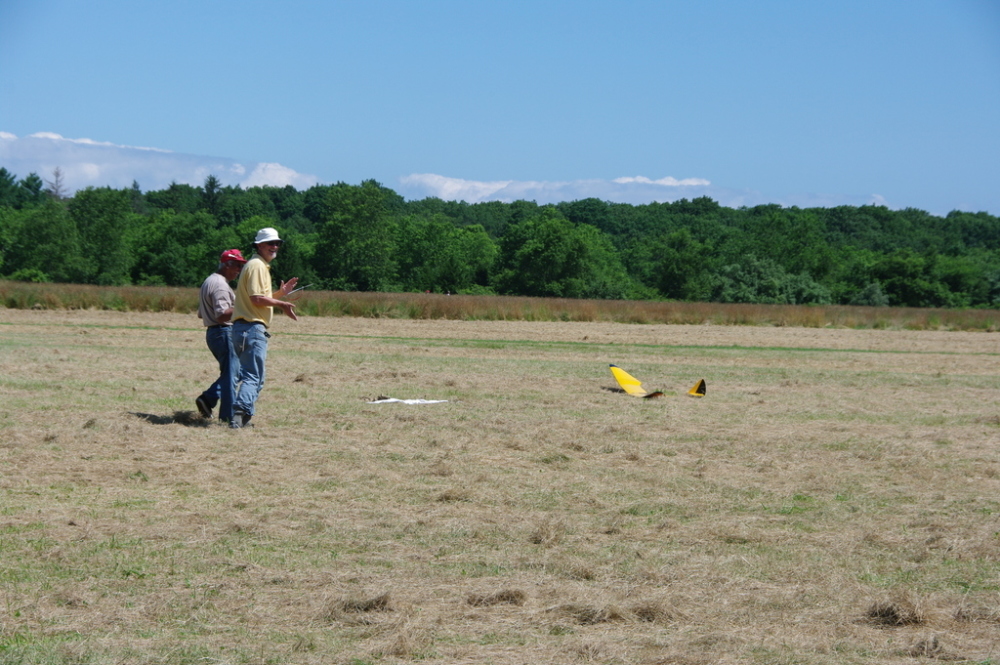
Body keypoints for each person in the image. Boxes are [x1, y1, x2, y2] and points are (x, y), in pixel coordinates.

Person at [229, 227, 299, 428]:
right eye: (270, 243)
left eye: (277, 243)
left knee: (255, 377)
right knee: (253, 377)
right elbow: (257, 299)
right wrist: (282, 304)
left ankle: (244, 419)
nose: (275, 247)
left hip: (244, 328)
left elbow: (258, 298)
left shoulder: (255, 265)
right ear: (259, 246)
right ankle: (238, 417)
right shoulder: (257, 266)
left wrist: (280, 294)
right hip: (251, 329)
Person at [195, 248, 247, 423]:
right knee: (233, 375)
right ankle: (227, 418)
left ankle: (208, 399)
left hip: (215, 333)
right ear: (227, 265)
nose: (239, 270)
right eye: (237, 266)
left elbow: (201, 313)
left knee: (233, 372)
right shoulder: (220, 285)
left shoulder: (209, 281)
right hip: (224, 332)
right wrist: (244, 307)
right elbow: (222, 314)